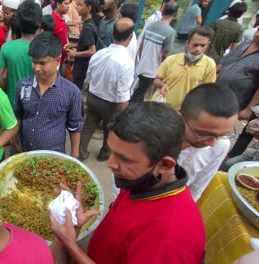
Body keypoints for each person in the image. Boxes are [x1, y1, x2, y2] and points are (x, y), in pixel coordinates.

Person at [50, 102, 205, 263]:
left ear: (165, 165)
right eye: (112, 152)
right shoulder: (142, 181)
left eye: (124, 159)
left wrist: (71, 246)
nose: (110, 164)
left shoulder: (167, 238)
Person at [13, 32, 82, 157]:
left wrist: (74, 154)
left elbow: (74, 127)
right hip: (24, 152)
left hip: (54, 158)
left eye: (42, 63)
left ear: (57, 61)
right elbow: (18, 115)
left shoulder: (71, 92)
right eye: (34, 62)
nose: (36, 68)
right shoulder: (23, 85)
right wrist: (14, 141)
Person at [79, 18, 134, 162]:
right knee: (110, 129)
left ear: (112, 35)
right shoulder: (127, 62)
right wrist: (123, 115)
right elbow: (122, 96)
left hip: (94, 97)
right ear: (130, 37)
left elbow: (88, 77)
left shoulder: (99, 54)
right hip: (111, 104)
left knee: (89, 125)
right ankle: (104, 154)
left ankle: (80, 152)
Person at [178, 83, 239, 201]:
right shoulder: (157, 134)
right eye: (203, 134)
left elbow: (196, 188)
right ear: (181, 118)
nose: (213, 143)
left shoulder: (222, 144)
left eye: (221, 135)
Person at [217, 19, 259, 159]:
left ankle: (223, 156)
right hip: (218, 92)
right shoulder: (246, 43)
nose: (258, 34)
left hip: (236, 100)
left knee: (220, 129)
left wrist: (249, 109)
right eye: (258, 30)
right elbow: (227, 61)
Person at [151, 26, 216, 110]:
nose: (198, 49)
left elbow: (207, 89)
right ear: (187, 43)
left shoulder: (209, 64)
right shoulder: (171, 59)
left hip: (183, 110)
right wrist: (162, 85)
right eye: (195, 45)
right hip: (160, 104)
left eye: (202, 45)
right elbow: (156, 79)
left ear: (208, 45)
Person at [0, 0, 42, 105]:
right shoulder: (42, 49)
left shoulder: (7, 47)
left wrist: (7, 88)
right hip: (35, 103)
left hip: (12, 102)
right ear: (39, 23)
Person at [130, 2, 178, 102]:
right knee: (138, 94)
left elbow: (141, 46)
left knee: (139, 92)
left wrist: (141, 59)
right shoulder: (170, 32)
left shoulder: (151, 25)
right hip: (152, 70)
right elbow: (165, 53)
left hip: (141, 65)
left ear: (163, 10)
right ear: (175, 14)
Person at [66, 0, 98, 90]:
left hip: (82, 67)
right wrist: (72, 45)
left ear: (88, 8)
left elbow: (92, 50)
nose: (77, 7)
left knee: (76, 91)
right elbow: (85, 43)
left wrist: (74, 54)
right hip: (80, 66)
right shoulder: (88, 24)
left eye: (80, 5)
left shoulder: (88, 28)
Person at [51, 0, 70, 66]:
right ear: (58, 4)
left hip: (63, 60)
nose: (68, 6)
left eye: (68, 4)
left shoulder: (62, 18)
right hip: (55, 61)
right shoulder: (52, 20)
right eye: (66, 4)